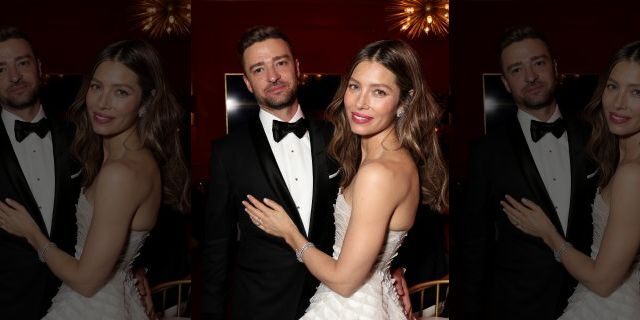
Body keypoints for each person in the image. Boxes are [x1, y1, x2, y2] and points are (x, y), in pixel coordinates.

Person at [201, 26, 412, 320]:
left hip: (333, 299)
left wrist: (392, 269)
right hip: (260, 306)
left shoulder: (342, 138)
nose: (273, 76)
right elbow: (215, 248)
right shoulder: (228, 152)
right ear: (247, 83)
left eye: (281, 63)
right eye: (259, 69)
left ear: (297, 68)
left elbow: (388, 214)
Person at [243, 39, 447, 319]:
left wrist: (289, 233)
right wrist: (391, 268)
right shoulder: (374, 155)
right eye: (355, 86)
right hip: (368, 297)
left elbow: (345, 280)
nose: (360, 102)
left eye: (379, 91)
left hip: (349, 305)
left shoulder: (378, 173)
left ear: (404, 101)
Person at [0, 39, 189, 319]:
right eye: (97, 87)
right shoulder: (90, 146)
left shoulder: (104, 160)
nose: (102, 103)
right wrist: (124, 265)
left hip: (86, 299)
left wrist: (31, 232)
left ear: (145, 102)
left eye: (121, 92)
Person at [456, 26, 598, 320]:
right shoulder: (486, 151)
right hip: (518, 304)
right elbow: (473, 244)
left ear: (555, 67)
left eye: (539, 63)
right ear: (506, 83)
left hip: (592, 297)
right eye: (517, 69)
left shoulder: (595, 139)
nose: (530, 76)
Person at [501, 40, 640, 319]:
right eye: (613, 86)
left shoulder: (632, 174)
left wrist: (548, 233)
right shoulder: (610, 155)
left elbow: (602, 281)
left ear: (555, 68)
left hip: (609, 304)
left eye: (636, 92)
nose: (619, 102)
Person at [0, 25, 81, 320]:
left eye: (22, 63)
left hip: (75, 298)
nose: (14, 76)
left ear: (39, 67)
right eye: (1, 68)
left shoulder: (80, 139)